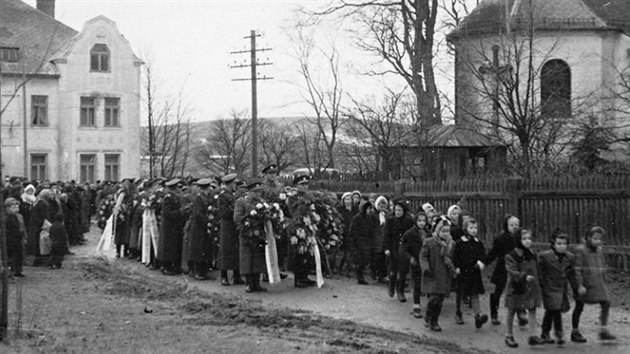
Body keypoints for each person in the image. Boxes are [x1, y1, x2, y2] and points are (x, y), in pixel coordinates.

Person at [570, 226, 616, 342]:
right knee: (579, 306)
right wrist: (579, 284)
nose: (598, 241)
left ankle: (603, 330)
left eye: (600, 239)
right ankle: (575, 331)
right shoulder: (581, 250)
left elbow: (601, 265)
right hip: (585, 284)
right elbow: (578, 269)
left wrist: (604, 279)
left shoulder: (599, 250)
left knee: (606, 302)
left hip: (598, 283)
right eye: (595, 238)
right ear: (588, 238)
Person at [504, 229, 545, 347]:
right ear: (518, 240)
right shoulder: (512, 255)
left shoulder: (531, 253)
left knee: (532, 308)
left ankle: (532, 335)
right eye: (524, 239)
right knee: (512, 309)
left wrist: (539, 280)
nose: (527, 241)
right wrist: (523, 276)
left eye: (529, 239)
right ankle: (509, 335)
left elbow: (536, 268)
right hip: (516, 286)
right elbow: (511, 271)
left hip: (530, 287)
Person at [538, 229, 579, 345]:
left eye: (564, 244)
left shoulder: (570, 258)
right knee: (553, 309)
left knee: (554, 310)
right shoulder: (545, 256)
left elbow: (571, 274)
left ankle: (549, 333)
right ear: (553, 244)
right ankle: (555, 332)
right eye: (559, 244)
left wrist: (576, 287)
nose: (562, 246)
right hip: (549, 287)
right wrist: (542, 283)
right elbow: (539, 271)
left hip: (561, 287)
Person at [485, 215, 525, 325]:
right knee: (496, 291)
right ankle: (494, 314)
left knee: (519, 291)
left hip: (516, 269)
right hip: (502, 268)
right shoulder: (501, 238)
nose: (514, 227)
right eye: (511, 225)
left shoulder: (521, 239)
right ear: (506, 226)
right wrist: (484, 262)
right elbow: (493, 253)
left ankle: (521, 314)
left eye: (516, 225)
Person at [452, 218, 489, 328]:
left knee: (474, 293)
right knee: (460, 292)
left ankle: (477, 316)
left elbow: (483, 255)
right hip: (463, 272)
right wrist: (457, 267)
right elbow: (456, 256)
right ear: (465, 229)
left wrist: (481, 262)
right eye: (471, 228)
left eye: (475, 228)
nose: (474, 230)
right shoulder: (460, 243)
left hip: (474, 272)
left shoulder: (478, 243)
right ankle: (458, 313)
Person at [420, 216, 455, 332]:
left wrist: (453, 268)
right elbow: (423, 256)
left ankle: (434, 321)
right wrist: (425, 268)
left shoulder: (451, 244)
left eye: (448, 231)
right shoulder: (429, 242)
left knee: (439, 301)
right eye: (443, 231)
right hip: (432, 274)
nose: (446, 234)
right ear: (437, 231)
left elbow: (453, 258)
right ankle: (428, 315)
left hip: (444, 276)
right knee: (433, 299)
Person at [233, 179, 268, 293]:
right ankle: (249, 283)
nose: (258, 194)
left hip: (259, 234)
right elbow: (237, 218)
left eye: (259, 192)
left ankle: (257, 283)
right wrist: (249, 218)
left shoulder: (261, 202)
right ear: (250, 192)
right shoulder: (241, 201)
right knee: (247, 259)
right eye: (255, 192)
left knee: (258, 259)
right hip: (247, 234)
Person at [384, 199, 414, 302]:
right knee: (393, 270)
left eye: (400, 210)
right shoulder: (390, 220)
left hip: (404, 249)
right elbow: (386, 235)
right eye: (396, 210)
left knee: (403, 271)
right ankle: (391, 285)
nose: (397, 212)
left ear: (404, 211)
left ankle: (400, 291)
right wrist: (387, 248)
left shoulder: (409, 221)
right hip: (393, 248)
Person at [157, 178, 188, 275]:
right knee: (168, 247)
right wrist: (181, 211)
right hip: (169, 227)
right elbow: (168, 213)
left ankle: (174, 266)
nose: (179, 189)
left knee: (174, 247)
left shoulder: (175, 197)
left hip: (175, 226)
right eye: (178, 187)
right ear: (174, 188)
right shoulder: (168, 198)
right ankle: (166, 267)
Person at [217, 173, 244, 285]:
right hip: (227, 225)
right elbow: (223, 212)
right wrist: (234, 211)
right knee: (226, 250)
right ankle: (224, 276)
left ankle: (236, 275)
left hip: (233, 225)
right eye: (234, 183)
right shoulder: (222, 196)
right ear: (230, 184)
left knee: (235, 250)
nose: (235, 185)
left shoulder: (232, 195)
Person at [400, 212, 428, 318]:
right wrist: (410, 258)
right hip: (416, 261)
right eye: (419, 221)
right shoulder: (409, 234)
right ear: (415, 221)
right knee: (417, 284)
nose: (421, 223)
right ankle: (416, 305)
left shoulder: (428, 233)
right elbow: (404, 248)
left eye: (424, 221)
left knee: (426, 283)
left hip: (426, 262)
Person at [187, 179, 215, 280]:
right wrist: (207, 222)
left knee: (205, 249)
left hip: (203, 227)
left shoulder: (205, 198)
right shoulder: (199, 199)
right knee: (199, 250)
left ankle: (203, 271)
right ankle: (198, 272)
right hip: (199, 228)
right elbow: (198, 214)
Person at [348, 200, 374, 285]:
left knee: (364, 260)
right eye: (368, 209)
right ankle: (360, 277)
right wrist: (354, 242)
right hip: (358, 242)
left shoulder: (369, 218)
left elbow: (370, 230)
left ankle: (360, 276)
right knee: (359, 260)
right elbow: (352, 230)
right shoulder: (357, 218)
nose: (369, 210)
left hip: (366, 241)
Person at [6, 198, 27, 277]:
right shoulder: (7, 218)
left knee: (19, 255)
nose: (16, 209)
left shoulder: (18, 217)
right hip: (11, 240)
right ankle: (11, 272)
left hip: (18, 239)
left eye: (17, 207)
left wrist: (24, 236)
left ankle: (18, 270)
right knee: (11, 257)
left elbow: (22, 227)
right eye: (13, 208)